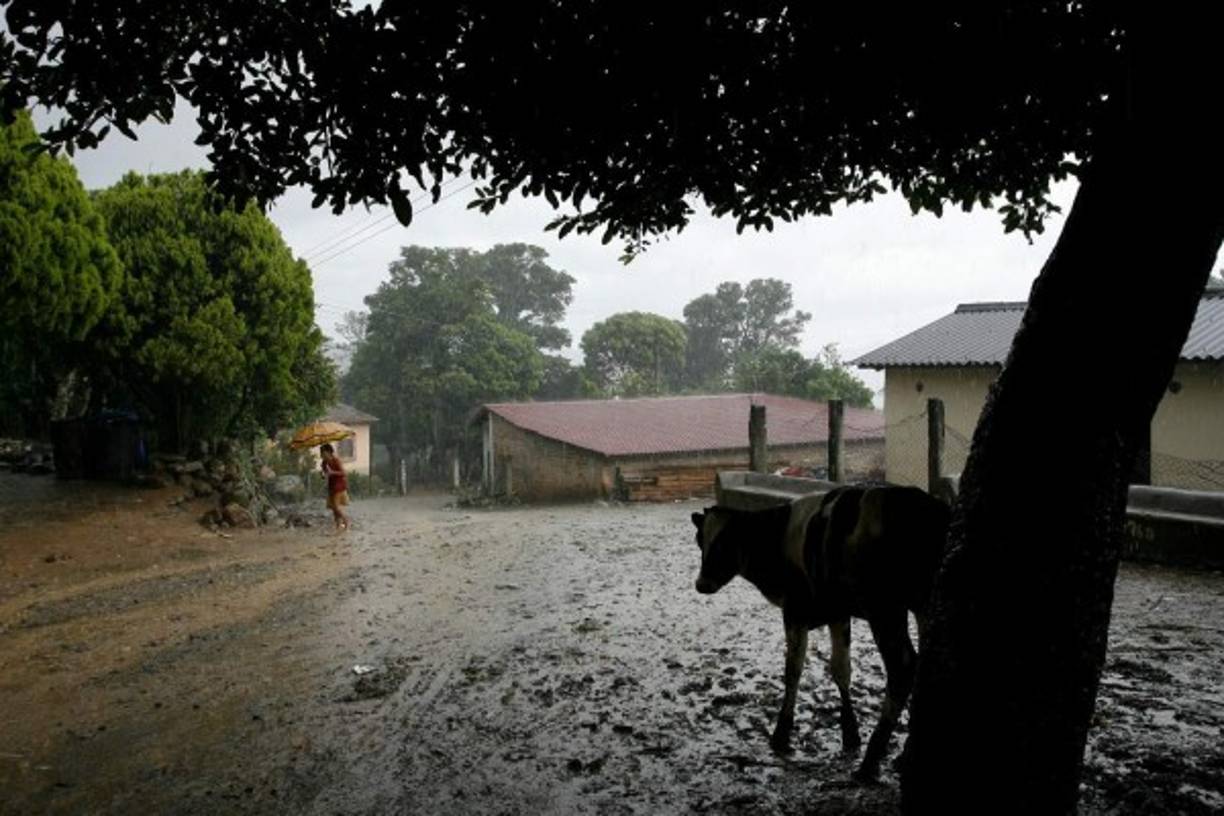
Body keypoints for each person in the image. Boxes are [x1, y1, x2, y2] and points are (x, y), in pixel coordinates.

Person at [319, 443, 350, 531]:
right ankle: (338, 526)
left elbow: (344, 473)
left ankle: (346, 522)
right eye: (321, 453)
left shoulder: (336, 460)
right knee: (334, 509)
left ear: (329, 452)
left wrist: (333, 472)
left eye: (323, 453)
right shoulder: (324, 463)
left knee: (336, 507)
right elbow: (325, 474)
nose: (321, 455)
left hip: (339, 485)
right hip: (331, 486)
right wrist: (322, 475)